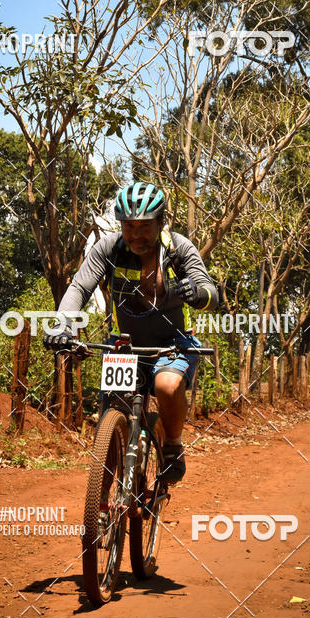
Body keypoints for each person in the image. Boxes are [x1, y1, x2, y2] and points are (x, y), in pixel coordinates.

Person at [43, 181, 218, 483]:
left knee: (165, 386)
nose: (136, 235)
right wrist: (63, 324)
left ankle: (173, 445)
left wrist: (198, 294)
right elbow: (80, 287)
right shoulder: (108, 249)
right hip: (124, 346)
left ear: (162, 222)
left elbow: (211, 293)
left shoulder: (178, 249)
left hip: (172, 345)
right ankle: (102, 504)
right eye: (129, 226)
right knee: (112, 423)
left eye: (145, 226)